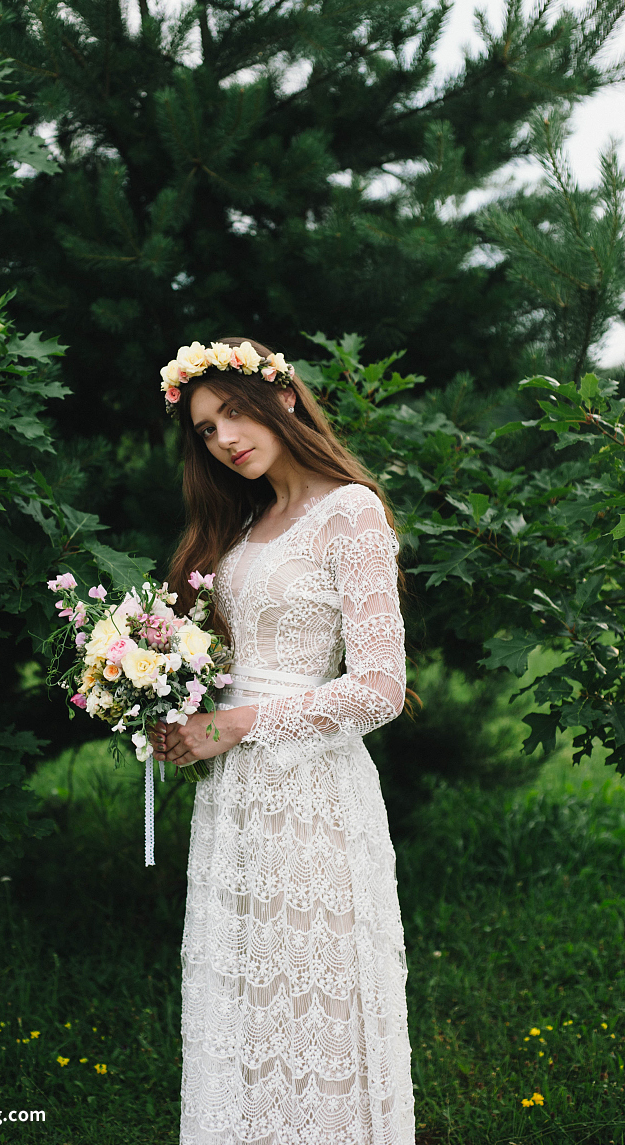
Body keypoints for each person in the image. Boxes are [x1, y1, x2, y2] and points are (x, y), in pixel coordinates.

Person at [149, 336, 416, 1145]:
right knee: (248, 1007)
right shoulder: (245, 524)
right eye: (205, 429)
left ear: (286, 399)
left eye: (234, 412)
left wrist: (234, 724)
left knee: (316, 1000)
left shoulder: (350, 509)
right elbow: (231, 662)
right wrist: (162, 696)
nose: (225, 437)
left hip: (312, 798)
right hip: (236, 804)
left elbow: (380, 687)